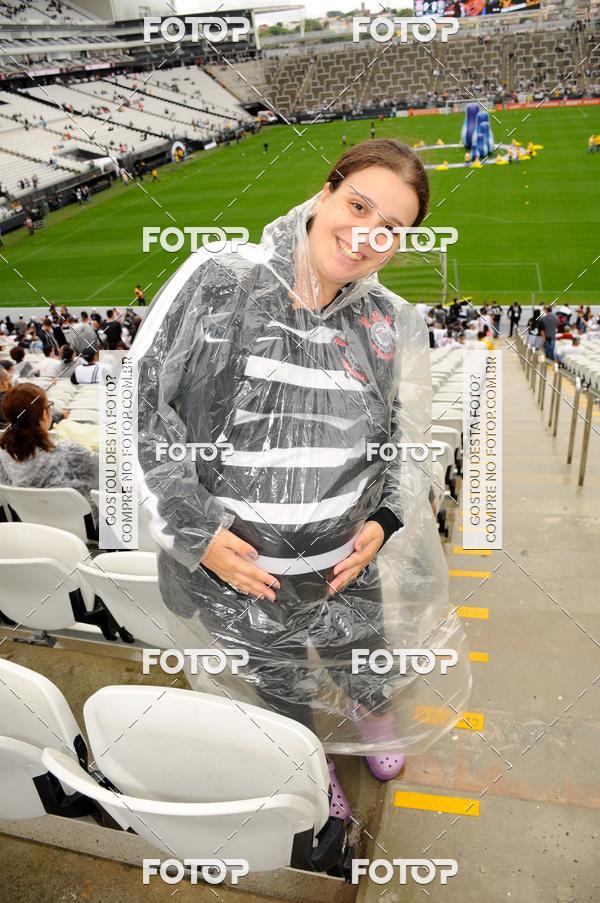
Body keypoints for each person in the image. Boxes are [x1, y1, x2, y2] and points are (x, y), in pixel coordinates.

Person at [130, 139, 470, 821]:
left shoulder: (388, 320)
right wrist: (195, 534)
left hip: (346, 561)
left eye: (391, 228)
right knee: (278, 691)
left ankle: (370, 713)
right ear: (325, 192)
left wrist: (384, 523)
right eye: (358, 204)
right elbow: (135, 404)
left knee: (364, 658)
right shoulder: (222, 276)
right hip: (246, 567)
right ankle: (310, 769)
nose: (366, 232)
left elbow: (407, 440)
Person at [0, 383, 96, 518]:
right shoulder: (71, 452)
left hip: (30, 525)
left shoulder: (3, 456)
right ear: (44, 414)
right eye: (49, 406)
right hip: (85, 526)